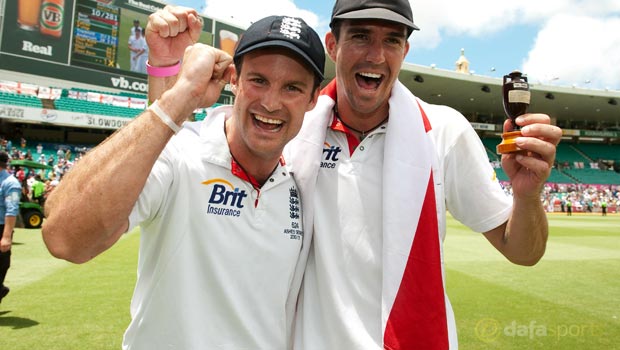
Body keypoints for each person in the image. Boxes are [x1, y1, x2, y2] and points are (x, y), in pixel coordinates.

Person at [42, 6, 324, 349]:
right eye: (258, 80)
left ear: (313, 99)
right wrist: (180, 95)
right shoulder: (182, 155)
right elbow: (65, 238)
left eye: (292, 87)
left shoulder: (302, 178)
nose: (270, 102)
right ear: (234, 79)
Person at [285, 0, 563, 348]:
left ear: (405, 50)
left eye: (392, 40)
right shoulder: (292, 130)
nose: (376, 55)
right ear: (332, 45)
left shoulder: (445, 130)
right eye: (360, 36)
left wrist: (527, 196)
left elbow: (523, 252)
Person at [0, 151, 21, 304]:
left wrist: (6, 236)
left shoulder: (11, 183)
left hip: (1, 227)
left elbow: (11, 209)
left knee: (2, 264)